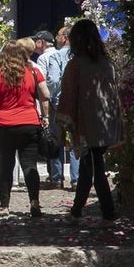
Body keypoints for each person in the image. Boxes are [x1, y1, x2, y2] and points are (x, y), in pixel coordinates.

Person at [0, 40, 50, 218]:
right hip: (29, 122)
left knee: (6, 166)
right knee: (29, 165)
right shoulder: (33, 71)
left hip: (5, 123)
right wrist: (45, 116)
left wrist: (3, 100)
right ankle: (34, 202)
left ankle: (4, 205)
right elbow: (45, 94)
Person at [56, 19, 123, 224]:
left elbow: (68, 95)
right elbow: (113, 94)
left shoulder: (76, 65)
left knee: (95, 170)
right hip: (106, 122)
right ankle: (76, 212)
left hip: (87, 125)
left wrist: (62, 125)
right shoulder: (106, 63)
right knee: (88, 168)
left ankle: (108, 214)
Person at [33, 29, 68, 188]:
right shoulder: (64, 54)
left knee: (54, 138)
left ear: (41, 42)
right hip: (69, 101)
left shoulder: (43, 58)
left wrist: (48, 98)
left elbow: (47, 82)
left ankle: (56, 177)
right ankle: (76, 179)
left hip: (54, 102)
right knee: (71, 139)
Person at [53, 26, 78, 188]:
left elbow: (54, 80)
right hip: (77, 103)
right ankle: (77, 179)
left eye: (58, 35)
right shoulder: (79, 57)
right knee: (75, 138)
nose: (56, 38)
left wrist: (53, 95)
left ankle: (57, 178)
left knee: (58, 139)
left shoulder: (56, 56)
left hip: (59, 102)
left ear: (64, 38)